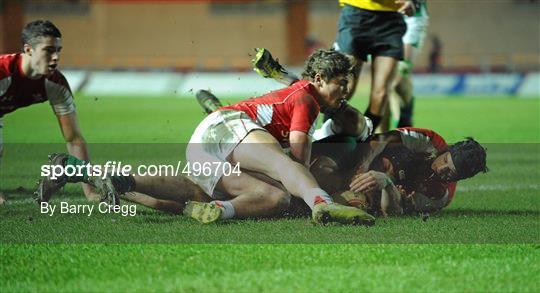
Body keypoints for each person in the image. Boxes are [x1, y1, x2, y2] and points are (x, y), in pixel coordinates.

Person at [40, 49, 376, 225]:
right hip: (229, 126)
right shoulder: (304, 98)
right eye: (341, 84)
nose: (345, 92)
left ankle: (89, 174)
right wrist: (316, 189)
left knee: (268, 198)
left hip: (210, 140)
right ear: (318, 78)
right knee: (280, 165)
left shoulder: (300, 95)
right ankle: (323, 206)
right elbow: (297, 159)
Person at [0, 20, 96, 204]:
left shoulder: (56, 85)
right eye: (48, 50)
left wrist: (90, 192)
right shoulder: (3, 71)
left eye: (58, 50)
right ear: (28, 50)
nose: (55, 57)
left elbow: (74, 138)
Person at [387, 0, 429, 128]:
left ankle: (405, 118)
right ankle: (399, 124)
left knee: (400, 75)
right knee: (387, 82)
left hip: (412, 18)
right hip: (387, 17)